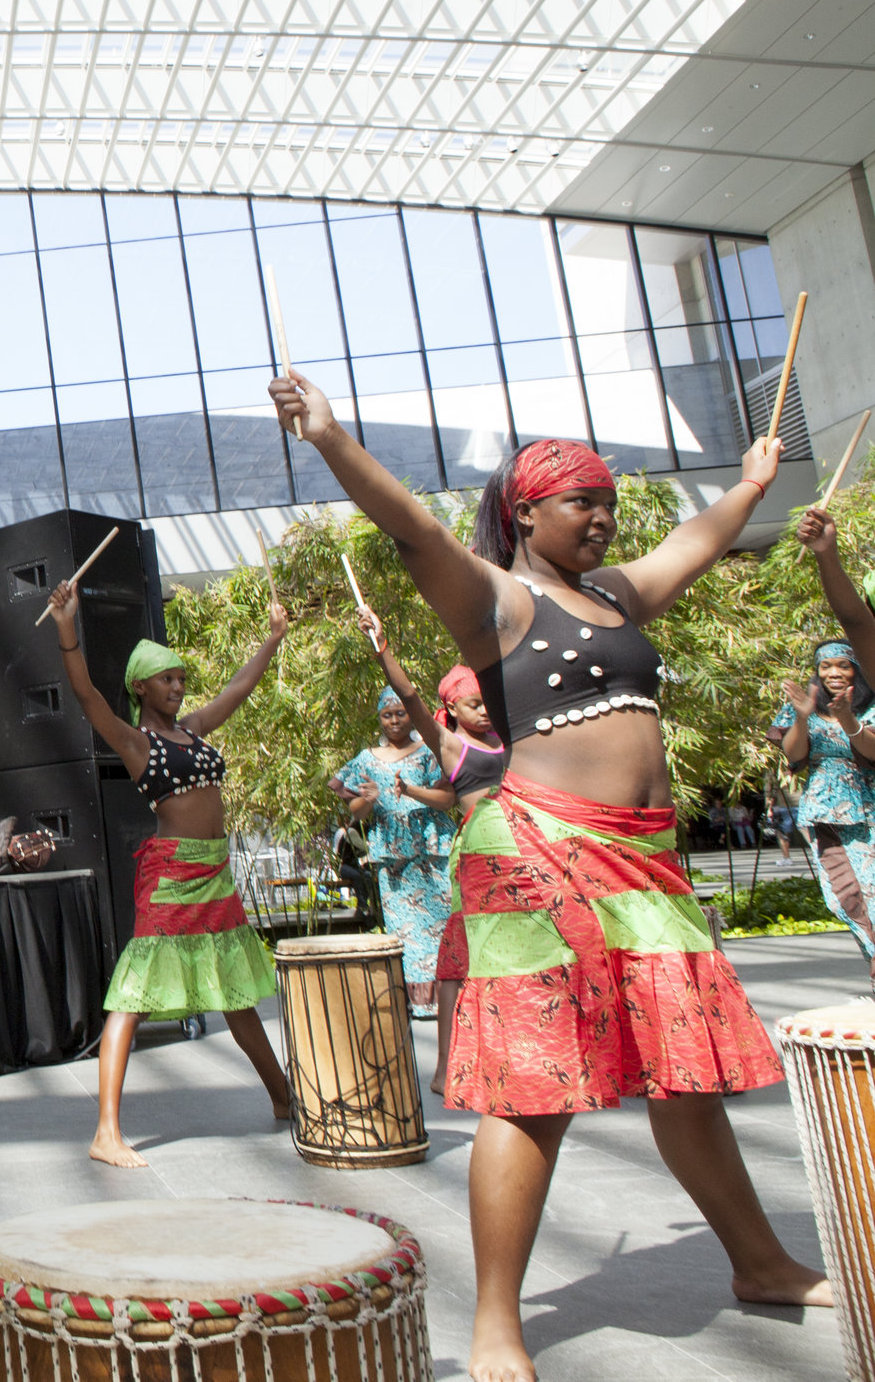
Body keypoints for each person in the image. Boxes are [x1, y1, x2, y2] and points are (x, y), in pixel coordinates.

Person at [265, 375, 827, 1382]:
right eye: (583, 500)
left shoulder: (616, 593)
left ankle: (760, 1263)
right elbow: (409, 535)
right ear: (525, 511)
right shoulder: (497, 597)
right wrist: (332, 437)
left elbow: (692, 543)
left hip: (645, 858)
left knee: (685, 1075)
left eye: (608, 498)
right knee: (534, 1094)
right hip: (537, 850)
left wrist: (748, 487)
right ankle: (495, 1321)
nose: (604, 515)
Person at [46, 582, 294, 1168]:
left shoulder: (195, 730)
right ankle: (106, 1131)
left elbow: (239, 687)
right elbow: (85, 695)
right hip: (173, 876)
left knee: (235, 995)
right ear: (141, 687)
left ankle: (284, 1098)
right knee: (131, 997)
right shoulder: (137, 742)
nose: (179, 688)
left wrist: (272, 639)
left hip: (215, 874)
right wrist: (66, 625)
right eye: (167, 679)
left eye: (181, 678)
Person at [362, 619, 507, 1092]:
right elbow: (409, 697)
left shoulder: (505, 735)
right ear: (453, 707)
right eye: (473, 703)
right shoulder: (448, 743)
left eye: (488, 701)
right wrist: (382, 646)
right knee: (460, 955)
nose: (484, 711)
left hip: (524, 848)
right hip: (479, 853)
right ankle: (446, 1068)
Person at [329, 685, 458, 1015]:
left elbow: (448, 800)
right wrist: (368, 801)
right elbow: (355, 813)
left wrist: (411, 791)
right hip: (394, 860)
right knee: (407, 932)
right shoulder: (365, 760)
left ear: (411, 714)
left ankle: (453, 998)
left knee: (444, 926)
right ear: (379, 718)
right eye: (388, 715)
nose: (395, 720)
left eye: (401, 713)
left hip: (433, 853)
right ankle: (421, 1004)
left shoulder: (429, 751)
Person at [773, 640, 875, 982]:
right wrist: (802, 717)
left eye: (843, 666)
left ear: (857, 669)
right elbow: (794, 756)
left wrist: (846, 716)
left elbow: (871, 750)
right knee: (843, 896)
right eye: (825, 666)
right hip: (825, 813)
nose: (833, 673)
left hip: (869, 808)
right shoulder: (804, 705)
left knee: (873, 892)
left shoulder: (871, 704)